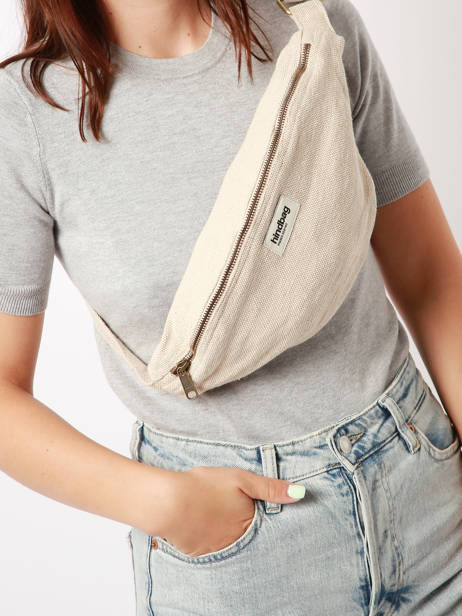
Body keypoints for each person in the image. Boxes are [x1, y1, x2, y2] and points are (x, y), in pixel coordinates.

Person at [1, 0, 461, 614]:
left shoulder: (312, 25)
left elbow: (430, 277)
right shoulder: (24, 114)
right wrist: (167, 505)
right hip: (236, 560)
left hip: (426, 494)